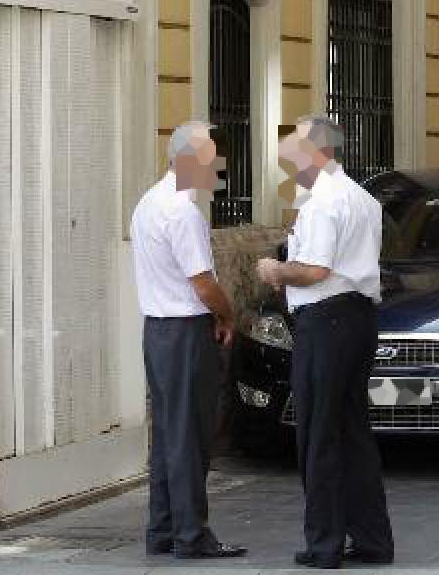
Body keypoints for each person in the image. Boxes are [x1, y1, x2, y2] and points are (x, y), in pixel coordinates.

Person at [257, 115, 394, 570]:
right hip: (359, 319)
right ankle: (373, 539)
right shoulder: (363, 198)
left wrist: (276, 271)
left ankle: (325, 544)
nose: (287, 161)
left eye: (293, 151)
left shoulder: (320, 203)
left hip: (325, 322)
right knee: (353, 430)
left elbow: (314, 270)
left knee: (318, 433)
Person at [130, 121, 246, 560]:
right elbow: (203, 283)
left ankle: (162, 529)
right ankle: (191, 534)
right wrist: (228, 312)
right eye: (210, 158)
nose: (216, 167)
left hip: (157, 331)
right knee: (189, 436)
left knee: (167, 434)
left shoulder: (148, 203)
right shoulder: (183, 211)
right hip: (184, 332)